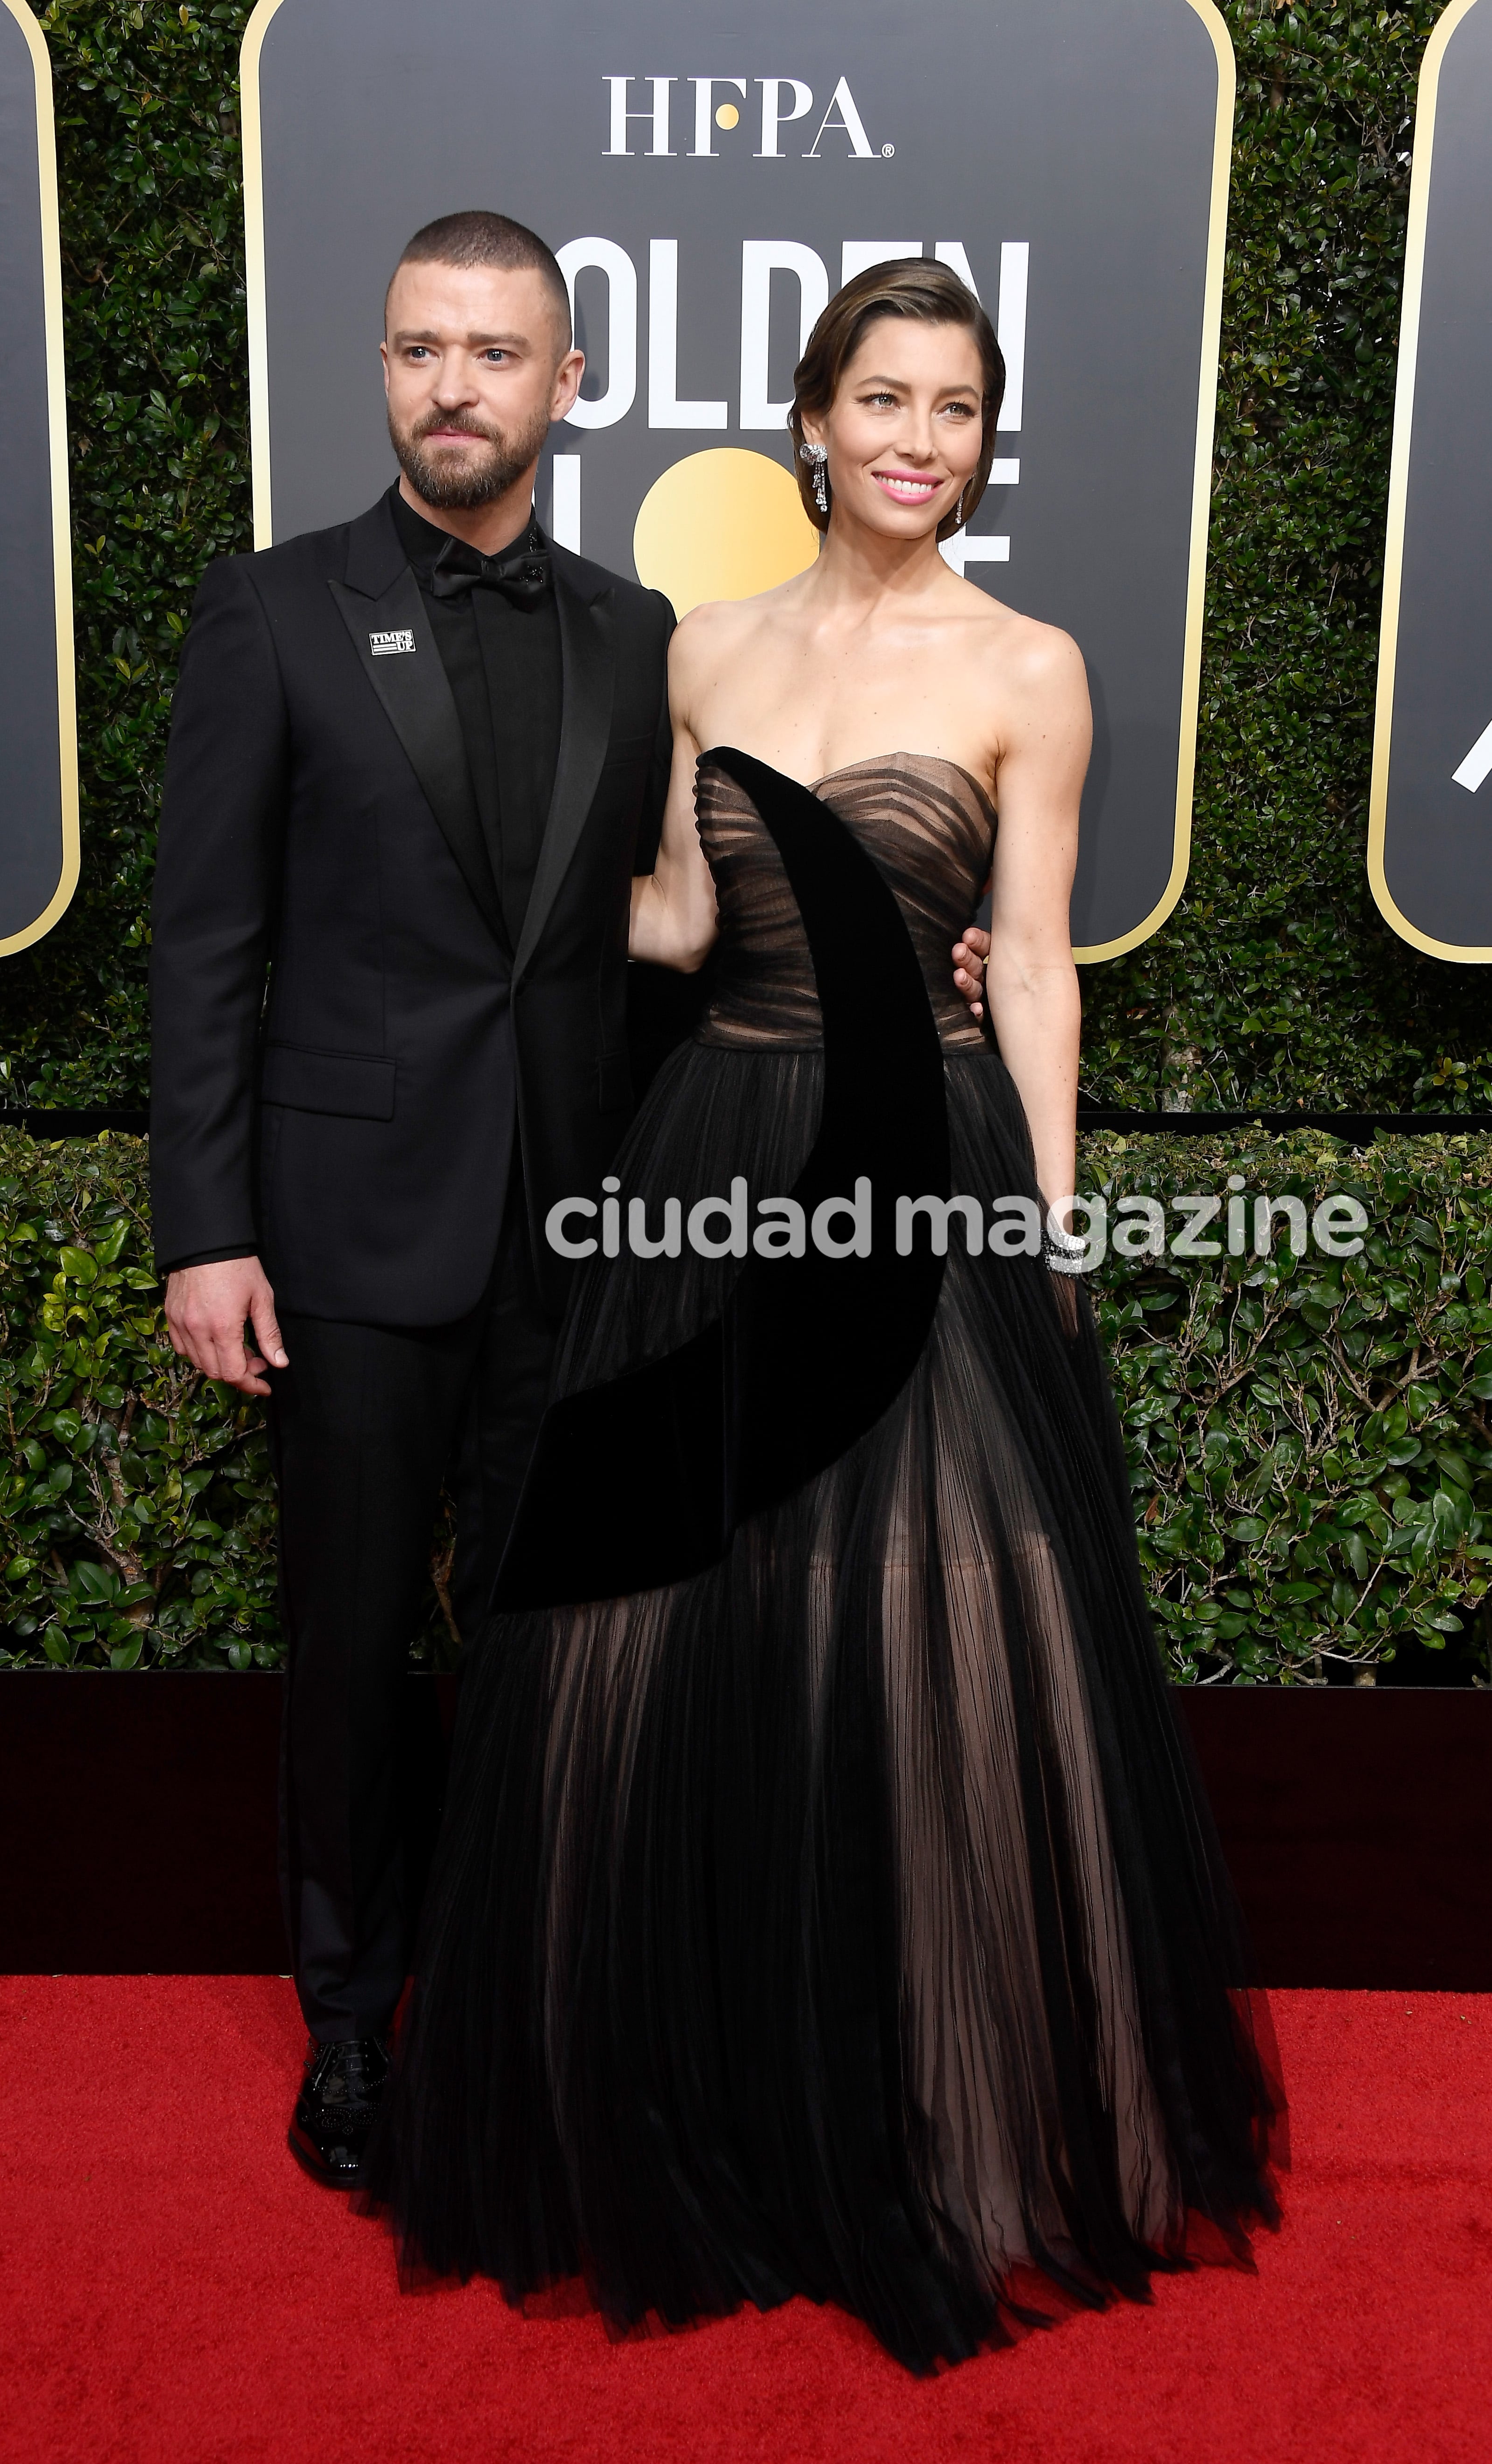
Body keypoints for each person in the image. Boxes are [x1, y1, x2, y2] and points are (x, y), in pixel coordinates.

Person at [366, 258, 1283, 2375]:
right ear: (810, 416)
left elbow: (1032, 959)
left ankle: (923, 2104)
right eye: (882, 397)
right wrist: (461, 892)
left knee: (927, 1632)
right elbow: (686, 913)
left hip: (917, 1170)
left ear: (981, 439)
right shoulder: (701, 651)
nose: (916, 439)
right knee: (658, 1630)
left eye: (954, 408)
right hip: (713, 1152)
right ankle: (682, 2102)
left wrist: (1045, 1229)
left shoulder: (1028, 666)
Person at [149, 205, 996, 2186]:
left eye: (495, 352)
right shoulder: (267, 611)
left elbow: (703, 914)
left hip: (591, 1234)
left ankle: (533, 2004)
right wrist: (205, 1225)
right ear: (382, 369)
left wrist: (910, 941)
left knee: (567, 1654)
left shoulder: (641, 636)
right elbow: (205, 944)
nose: (454, 385)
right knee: (356, 1648)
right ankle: (355, 2030)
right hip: (350, 1236)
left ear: (568, 381)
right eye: (418, 348)